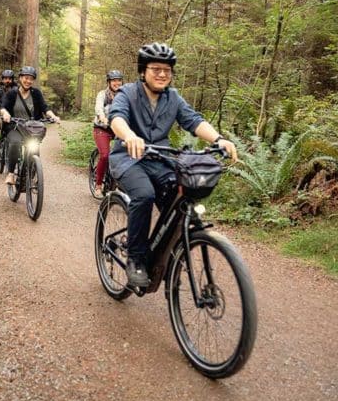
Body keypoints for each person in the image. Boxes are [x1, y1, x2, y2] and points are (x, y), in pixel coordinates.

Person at [108, 43, 238, 287]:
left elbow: (194, 121)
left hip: (160, 159)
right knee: (144, 195)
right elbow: (117, 118)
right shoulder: (127, 92)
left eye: (167, 70)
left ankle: (165, 253)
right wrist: (129, 136)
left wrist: (219, 139)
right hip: (128, 157)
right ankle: (136, 259)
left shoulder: (173, 97)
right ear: (143, 70)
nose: (162, 74)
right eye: (156, 68)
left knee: (180, 199)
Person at [0, 66, 61, 185]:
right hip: (15, 127)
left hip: (32, 128)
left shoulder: (36, 93)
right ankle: (11, 173)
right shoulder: (12, 93)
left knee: (34, 148)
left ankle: (32, 173)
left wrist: (53, 116)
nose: (28, 81)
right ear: (20, 78)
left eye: (31, 79)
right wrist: (6, 114)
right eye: (26, 78)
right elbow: (3, 107)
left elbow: (45, 108)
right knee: (15, 143)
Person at [93, 70, 124, 191]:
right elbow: (98, 108)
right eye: (114, 80)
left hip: (118, 129)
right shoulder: (103, 94)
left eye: (119, 80)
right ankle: (98, 184)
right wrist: (102, 117)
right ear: (109, 82)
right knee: (105, 155)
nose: (117, 83)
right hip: (102, 128)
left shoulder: (124, 95)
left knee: (126, 154)